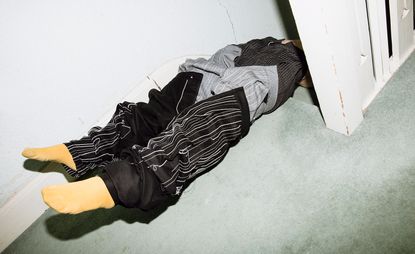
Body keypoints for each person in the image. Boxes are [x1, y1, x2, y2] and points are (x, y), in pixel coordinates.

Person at [22, 38, 310, 214]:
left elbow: (237, 65)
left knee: (174, 123)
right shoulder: (280, 51)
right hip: (210, 81)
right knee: (167, 124)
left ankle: (100, 169)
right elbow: (238, 64)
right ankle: (96, 166)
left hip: (213, 83)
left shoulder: (276, 55)